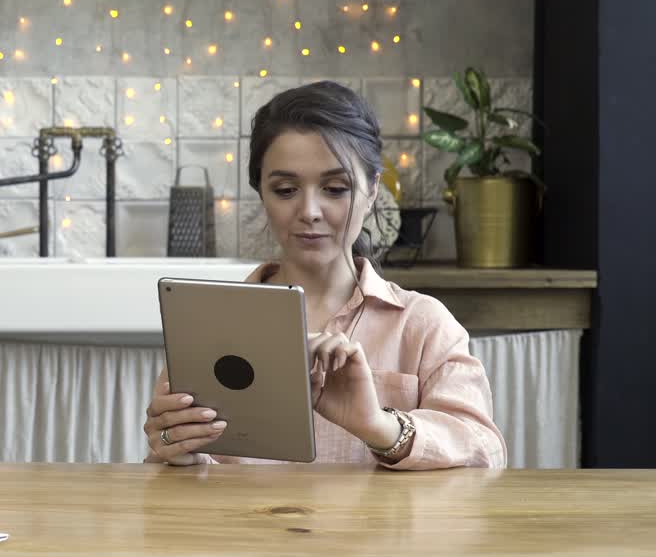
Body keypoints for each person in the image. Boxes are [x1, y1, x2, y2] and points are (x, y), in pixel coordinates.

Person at [144, 81, 507, 470]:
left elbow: (486, 452)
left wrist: (380, 427)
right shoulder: (207, 325)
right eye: (286, 190)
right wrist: (172, 452)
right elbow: (169, 475)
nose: (310, 211)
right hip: (241, 514)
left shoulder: (423, 324)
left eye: (335, 188)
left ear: (372, 189)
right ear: (261, 192)